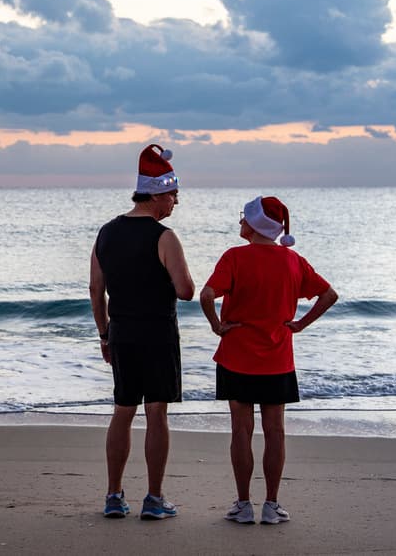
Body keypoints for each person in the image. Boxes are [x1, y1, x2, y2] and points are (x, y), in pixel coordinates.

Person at [199, 196, 338, 525]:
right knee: (275, 431)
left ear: (254, 224)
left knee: (241, 431)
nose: (240, 223)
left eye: (243, 218)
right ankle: (272, 505)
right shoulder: (293, 261)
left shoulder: (234, 257)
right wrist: (300, 325)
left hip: (236, 358)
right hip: (278, 360)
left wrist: (217, 326)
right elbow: (329, 294)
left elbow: (205, 295)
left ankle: (243, 504)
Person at [89, 144, 195, 520]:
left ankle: (113, 495)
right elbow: (185, 291)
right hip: (158, 334)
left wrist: (104, 334)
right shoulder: (164, 237)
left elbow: (95, 289)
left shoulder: (106, 233)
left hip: (122, 333)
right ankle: (154, 498)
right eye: (173, 195)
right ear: (156, 194)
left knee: (122, 410)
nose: (175, 203)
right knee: (156, 413)